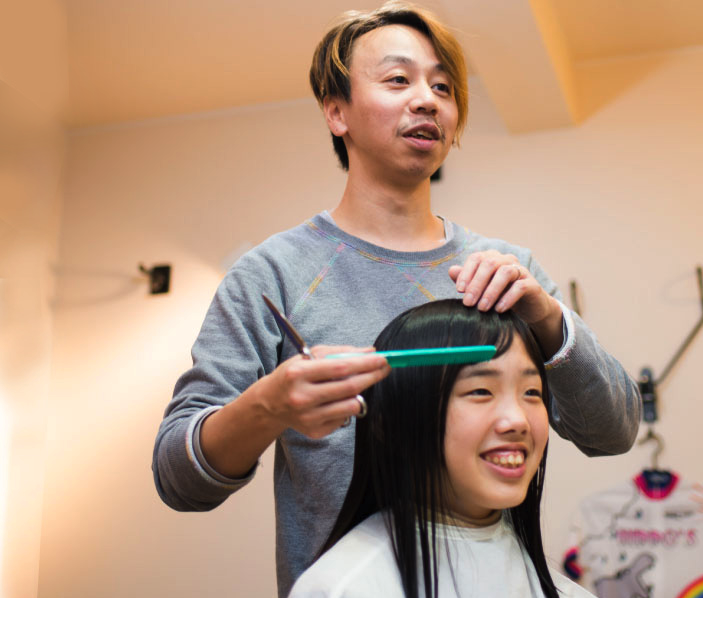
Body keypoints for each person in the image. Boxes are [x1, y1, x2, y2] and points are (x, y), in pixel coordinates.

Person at [153, 1, 640, 597]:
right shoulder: (271, 275)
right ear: (337, 112)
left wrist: (547, 315)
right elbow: (180, 482)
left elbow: (614, 432)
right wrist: (270, 407)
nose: (427, 99)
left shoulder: (512, 273)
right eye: (398, 80)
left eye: (442, 86)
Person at [291, 299, 591, 597]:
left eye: (532, 392)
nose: (518, 420)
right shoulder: (340, 592)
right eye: (481, 390)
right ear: (391, 422)